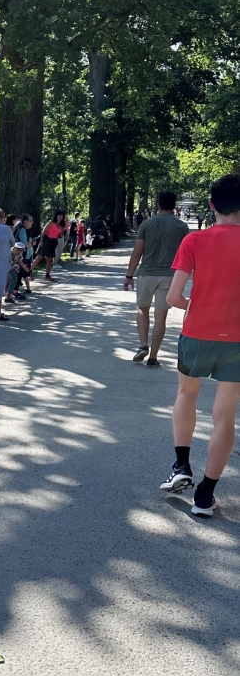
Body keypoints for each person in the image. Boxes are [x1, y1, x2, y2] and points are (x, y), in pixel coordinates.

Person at [160, 173, 240, 516]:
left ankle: (181, 466)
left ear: (211, 205)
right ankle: (205, 496)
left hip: (196, 333)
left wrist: (196, 304)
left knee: (186, 395)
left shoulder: (194, 241)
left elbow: (173, 297)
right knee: (225, 415)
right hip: (237, 340)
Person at [123, 191, 189, 367]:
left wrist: (129, 276)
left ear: (159, 204)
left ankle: (143, 345)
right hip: (169, 275)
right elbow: (185, 256)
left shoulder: (147, 224)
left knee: (142, 309)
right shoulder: (182, 227)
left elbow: (137, 252)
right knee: (161, 316)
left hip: (147, 272)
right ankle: (153, 357)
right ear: (174, 205)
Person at [31, 211, 64, 281]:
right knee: (39, 258)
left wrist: (60, 235)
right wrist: (41, 241)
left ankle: (47, 275)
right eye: (59, 215)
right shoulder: (51, 222)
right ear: (56, 216)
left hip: (53, 242)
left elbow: (57, 235)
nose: (60, 216)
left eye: (61, 215)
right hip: (46, 241)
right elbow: (43, 232)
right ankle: (28, 272)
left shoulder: (61, 226)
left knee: (50, 260)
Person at [12, 214, 35, 295]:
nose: (32, 222)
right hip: (22, 255)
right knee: (20, 272)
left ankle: (28, 289)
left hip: (26, 255)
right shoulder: (22, 229)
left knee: (25, 273)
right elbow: (24, 244)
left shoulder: (25, 229)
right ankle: (15, 291)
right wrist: (33, 243)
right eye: (30, 221)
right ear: (25, 221)